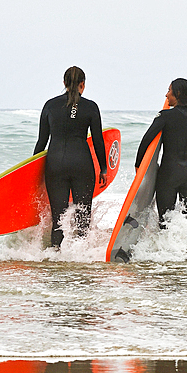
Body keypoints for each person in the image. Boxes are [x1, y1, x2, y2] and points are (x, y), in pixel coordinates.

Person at [34, 66, 107, 247]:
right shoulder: (90, 107)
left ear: (64, 83)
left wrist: (34, 172)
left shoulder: (50, 105)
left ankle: (56, 258)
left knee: (58, 219)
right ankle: (81, 258)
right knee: (83, 218)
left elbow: (41, 142)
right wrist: (104, 168)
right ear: (83, 84)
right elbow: (98, 140)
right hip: (82, 164)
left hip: (55, 164)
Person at [136, 78, 187, 228]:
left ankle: (165, 250)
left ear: (177, 93)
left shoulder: (165, 116)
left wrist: (138, 165)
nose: (166, 95)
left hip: (169, 173)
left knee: (165, 223)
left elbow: (146, 139)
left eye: (169, 91)